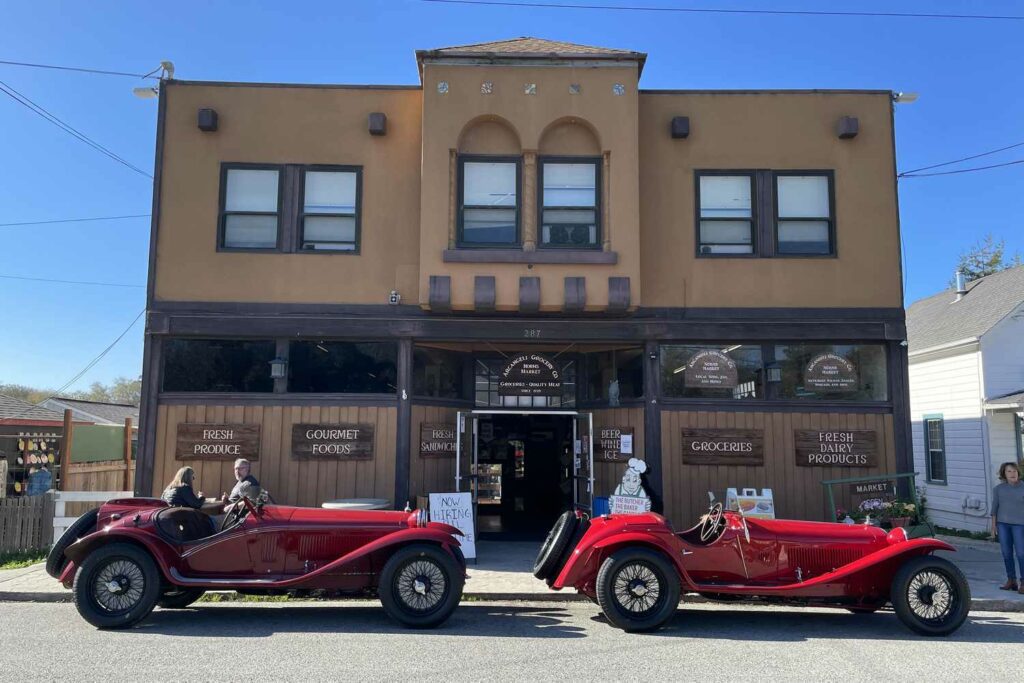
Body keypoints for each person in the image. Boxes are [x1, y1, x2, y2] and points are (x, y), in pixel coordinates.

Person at [992, 461, 1024, 594]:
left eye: (1014, 471)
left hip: (1020, 525)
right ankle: (1011, 580)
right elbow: (994, 508)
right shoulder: (998, 489)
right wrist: (993, 526)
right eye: (1009, 471)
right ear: (1004, 474)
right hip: (1003, 524)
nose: (1013, 474)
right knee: (1006, 553)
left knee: (1021, 553)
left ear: (1018, 472)